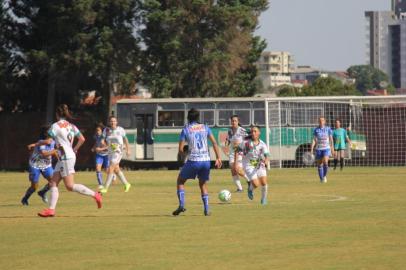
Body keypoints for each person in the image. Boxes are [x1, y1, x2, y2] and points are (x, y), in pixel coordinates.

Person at [38, 104, 102, 217]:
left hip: (66, 158)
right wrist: (75, 149)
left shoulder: (55, 126)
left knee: (70, 186)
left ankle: (95, 195)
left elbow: (48, 142)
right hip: (67, 156)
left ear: (57, 115)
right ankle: (51, 210)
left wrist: (37, 143)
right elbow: (82, 139)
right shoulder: (72, 126)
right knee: (53, 182)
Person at [172, 108, 222, 216]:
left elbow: (180, 149)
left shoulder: (186, 129)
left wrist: (183, 156)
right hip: (206, 161)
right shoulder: (205, 127)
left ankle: (181, 205)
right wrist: (218, 158)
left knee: (180, 181)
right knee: (203, 184)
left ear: (188, 118)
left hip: (194, 160)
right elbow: (214, 143)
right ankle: (207, 209)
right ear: (198, 117)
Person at [21, 126, 57, 205]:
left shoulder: (53, 140)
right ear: (45, 133)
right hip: (35, 165)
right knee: (34, 186)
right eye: (50, 131)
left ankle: (42, 192)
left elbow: (54, 146)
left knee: (54, 181)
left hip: (46, 165)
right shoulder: (42, 141)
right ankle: (25, 199)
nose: (53, 132)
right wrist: (56, 151)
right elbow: (44, 154)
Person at [235, 126, 270, 205]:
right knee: (256, 184)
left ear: (259, 133)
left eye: (255, 131)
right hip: (248, 164)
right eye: (252, 131)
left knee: (264, 182)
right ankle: (250, 189)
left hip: (259, 163)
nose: (253, 133)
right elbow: (237, 150)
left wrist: (266, 161)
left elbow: (267, 155)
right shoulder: (246, 142)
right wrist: (237, 163)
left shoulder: (262, 144)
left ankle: (263, 199)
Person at [100, 116, 131, 194]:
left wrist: (128, 149)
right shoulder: (106, 130)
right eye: (111, 121)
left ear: (116, 122)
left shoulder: (120, 130)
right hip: (110, 152)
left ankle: (105, 188)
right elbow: (102, 140)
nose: (113, 122)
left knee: (111, 168)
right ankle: (127, 184)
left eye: (114, 121)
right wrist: (104, 143)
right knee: (116, 170)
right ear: (109, 122)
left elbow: (125, 139)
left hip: (118, 151)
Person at [226, 115, 249, 192]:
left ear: (238, 122)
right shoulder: (230, 130)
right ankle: (240, 188)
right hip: (232, 152)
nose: (233, 122)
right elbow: (228, 140)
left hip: (240, 152)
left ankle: (249, 181)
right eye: (232, 121)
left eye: (235, 121)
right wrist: (226, 145)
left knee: (237, 169)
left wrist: (240, 143)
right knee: (233, 170)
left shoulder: (242, 130)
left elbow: (248, 140)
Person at [311, 117, 334, 183]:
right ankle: (321, 179)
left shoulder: (328, 129)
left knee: (326, 162)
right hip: (318, 149)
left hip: (326, 148)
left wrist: (332, 148)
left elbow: (331, 139)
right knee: (319, 164)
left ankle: (324, 176)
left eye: (322, 120)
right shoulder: (316, 130)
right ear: (318, 122)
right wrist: (312, 149)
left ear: (325, 121)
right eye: (320, 121)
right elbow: (314, 140)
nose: (321, 122)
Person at [91, 124, 114, 190]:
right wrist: (93, 147)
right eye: (96, 130)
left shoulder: (105, 137)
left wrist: (100, 149)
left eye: (98, 130)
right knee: (98, 169)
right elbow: (96, 143)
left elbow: (109, 146)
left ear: (102, 131)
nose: (97, 132)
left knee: (107, 170)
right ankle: (100, 184)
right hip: (99, 155)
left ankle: (113, 175)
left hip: (106, 155)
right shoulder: (96, 136)